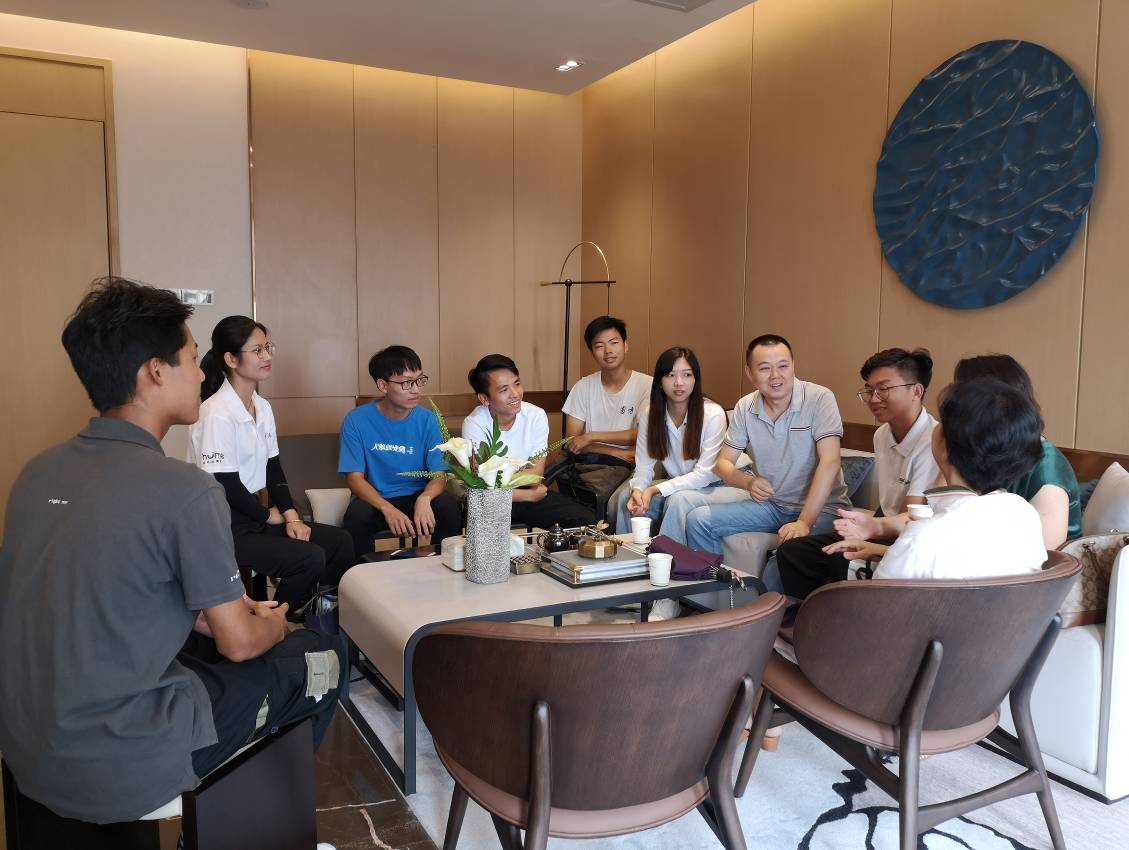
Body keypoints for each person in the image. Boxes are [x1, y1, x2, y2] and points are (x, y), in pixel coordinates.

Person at [0, 278, 342, 826]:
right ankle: (262, 829)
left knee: (214, 651)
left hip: (28, 743)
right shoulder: (185, 490)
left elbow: (101, 588)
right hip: (123, 756)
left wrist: (213, 614)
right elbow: (239, 643)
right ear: (154, 371)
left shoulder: (36, 473)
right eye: (190, 357)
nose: (202, 373)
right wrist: (277, 624)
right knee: (320, 657)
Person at [831, 353, 1080, 565]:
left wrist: (888, 552)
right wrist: (878, 531)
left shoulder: (1046, 470)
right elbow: (936, 515)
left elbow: (1039, 565)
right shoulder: (974, 456)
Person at [189, 316, 355, 614]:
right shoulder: (216, 413)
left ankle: (318, 614)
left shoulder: (262, 407)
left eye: (268, 348)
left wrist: (291, 516)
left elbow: (273, 468)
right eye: (257, 350)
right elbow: (225, 484)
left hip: (254, 515)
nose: (267, 356)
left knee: (339, 541)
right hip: (223, 525)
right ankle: (274, 618)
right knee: (309, 558)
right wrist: (267, 515)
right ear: (231, 359)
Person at [774, 348, 940, 599]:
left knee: (843, 555)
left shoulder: (933, 441)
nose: (874, 398)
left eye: (884, 388)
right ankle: (806, 615)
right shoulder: (881, 434)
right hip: (884, 524)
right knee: (793, 551)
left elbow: (910, 518)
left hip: (910, 535)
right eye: (869, 390)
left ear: (916, 391)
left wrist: (871, 529)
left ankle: (841, 618)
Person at [683, 334, 850, 554]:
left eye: (783, 366)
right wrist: (748, 482)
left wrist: (803, 523)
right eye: (764, 368)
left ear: (793, 366)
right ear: (749, 373)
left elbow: (830, 462)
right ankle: (713, 577)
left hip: (825, 510)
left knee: (787, 553)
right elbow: (722, 463)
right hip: (774, 505)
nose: (775, 376)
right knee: (698, 520)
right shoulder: (745, 406)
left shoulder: (819, 398)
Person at [873, 378, 1047, 580]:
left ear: (946, 447)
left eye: (942, 423)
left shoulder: (920, 540)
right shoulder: (1024, 515)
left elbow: (876, 598)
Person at [338, 345, 462, 556]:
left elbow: (439, 474)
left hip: (417, 494)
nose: (416, 389)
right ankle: (362, 574)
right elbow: (354, 478)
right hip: (377, 498)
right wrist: (387, 508)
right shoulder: (356, 420)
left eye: (419, 380)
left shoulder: (429, 420)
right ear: (383, 385)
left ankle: (444, 565)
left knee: (448, 507)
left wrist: (425, 498)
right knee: (357, 516)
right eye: (407, 383)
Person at [463, 354, 594, 529]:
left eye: (517, 384)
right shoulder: (474, 424)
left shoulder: (535, 416)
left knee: (585, 520)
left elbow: (535, 476)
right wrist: (527, 496)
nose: (515, 394)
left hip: (528, 491)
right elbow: (483, 485)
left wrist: (499, 479)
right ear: (484, 399)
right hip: (492, 501)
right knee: (489, 531)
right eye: (504, 390)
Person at [613, 346, 727, 542]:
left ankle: (668, 559)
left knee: (678, 500)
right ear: (659, 381)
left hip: (720, 485)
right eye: (671, 375)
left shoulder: (712, 414)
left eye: (687, 375)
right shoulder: (651, 414)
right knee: (626, 497)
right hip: (685, 485)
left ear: (695, 379)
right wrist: (638, 489)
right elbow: (644, 467)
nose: (679, 382)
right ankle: (627, 556)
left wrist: (654, 490)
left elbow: (705, 475)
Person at [562, 315, 651, 463]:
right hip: (591, 467)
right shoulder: (582, 387)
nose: (608, 350)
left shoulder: (647, 385)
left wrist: (591, 437)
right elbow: (572, 442)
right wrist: (614, 453)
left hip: (634, 466)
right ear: (592, 353)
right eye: (599, 346)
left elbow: (645, 434)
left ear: (625, 346)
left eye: (614, 343)